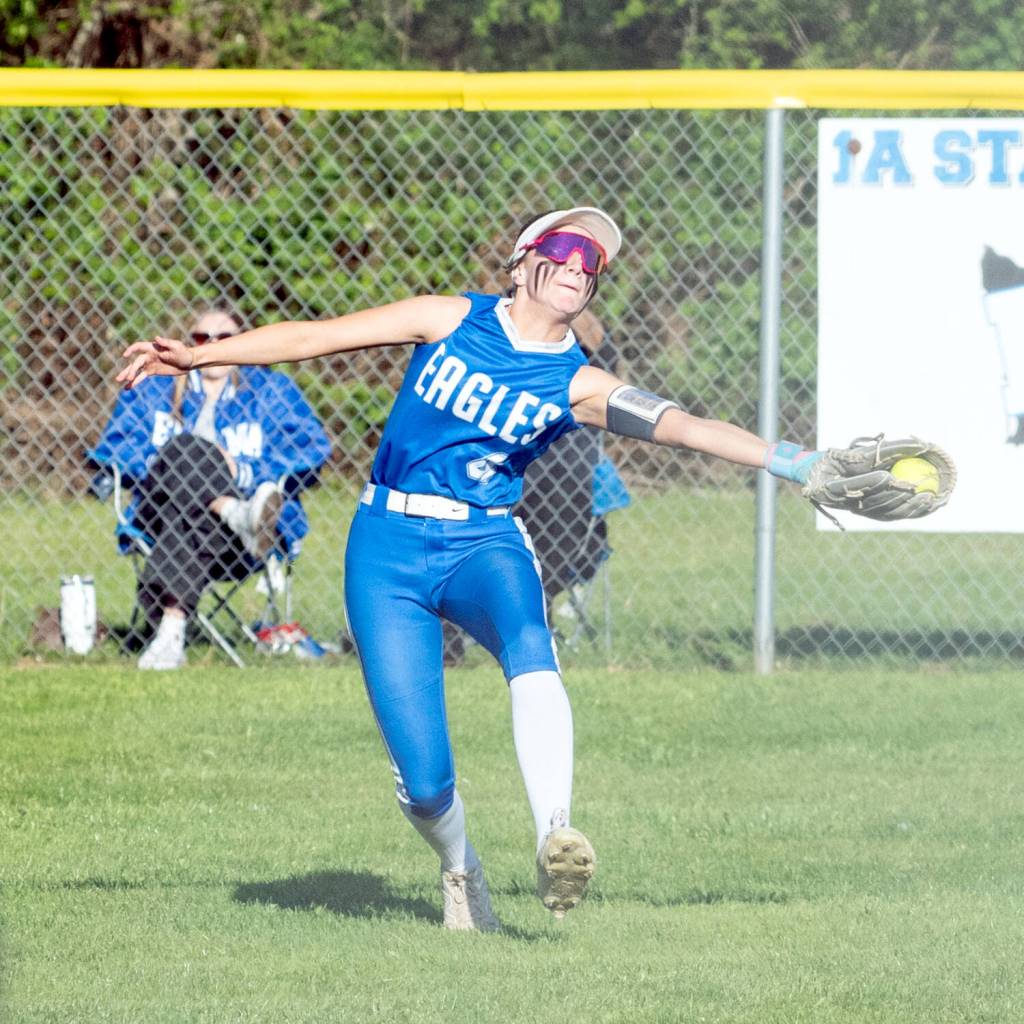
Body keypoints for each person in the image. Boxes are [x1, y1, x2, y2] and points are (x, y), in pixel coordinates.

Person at [116, 207, 823, 930]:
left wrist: (798, 462)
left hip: (483, 542)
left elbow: (686, 426)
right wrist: (200, 357)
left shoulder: (577, 385)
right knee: (423, 784)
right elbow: (315, 338)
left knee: (529, 640)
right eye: (567, 248)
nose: (581, 265)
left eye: (594, 262)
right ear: (522, 263)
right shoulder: (450, 318)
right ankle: (460, 867)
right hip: (386, 545)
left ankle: (557, 834)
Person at [91, 309, 332, 671]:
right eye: (202, 338)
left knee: (186, 478)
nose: (213, 345)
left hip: (230, 543)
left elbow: (312, 449)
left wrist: (245, 470)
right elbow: (115, 448)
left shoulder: (271, 391)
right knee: (185, 450)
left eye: (225, 338)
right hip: (165, 516)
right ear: (190, 342)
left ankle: (171, 630)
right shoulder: (154, 387)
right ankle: (231, 510)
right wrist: (176, 465)